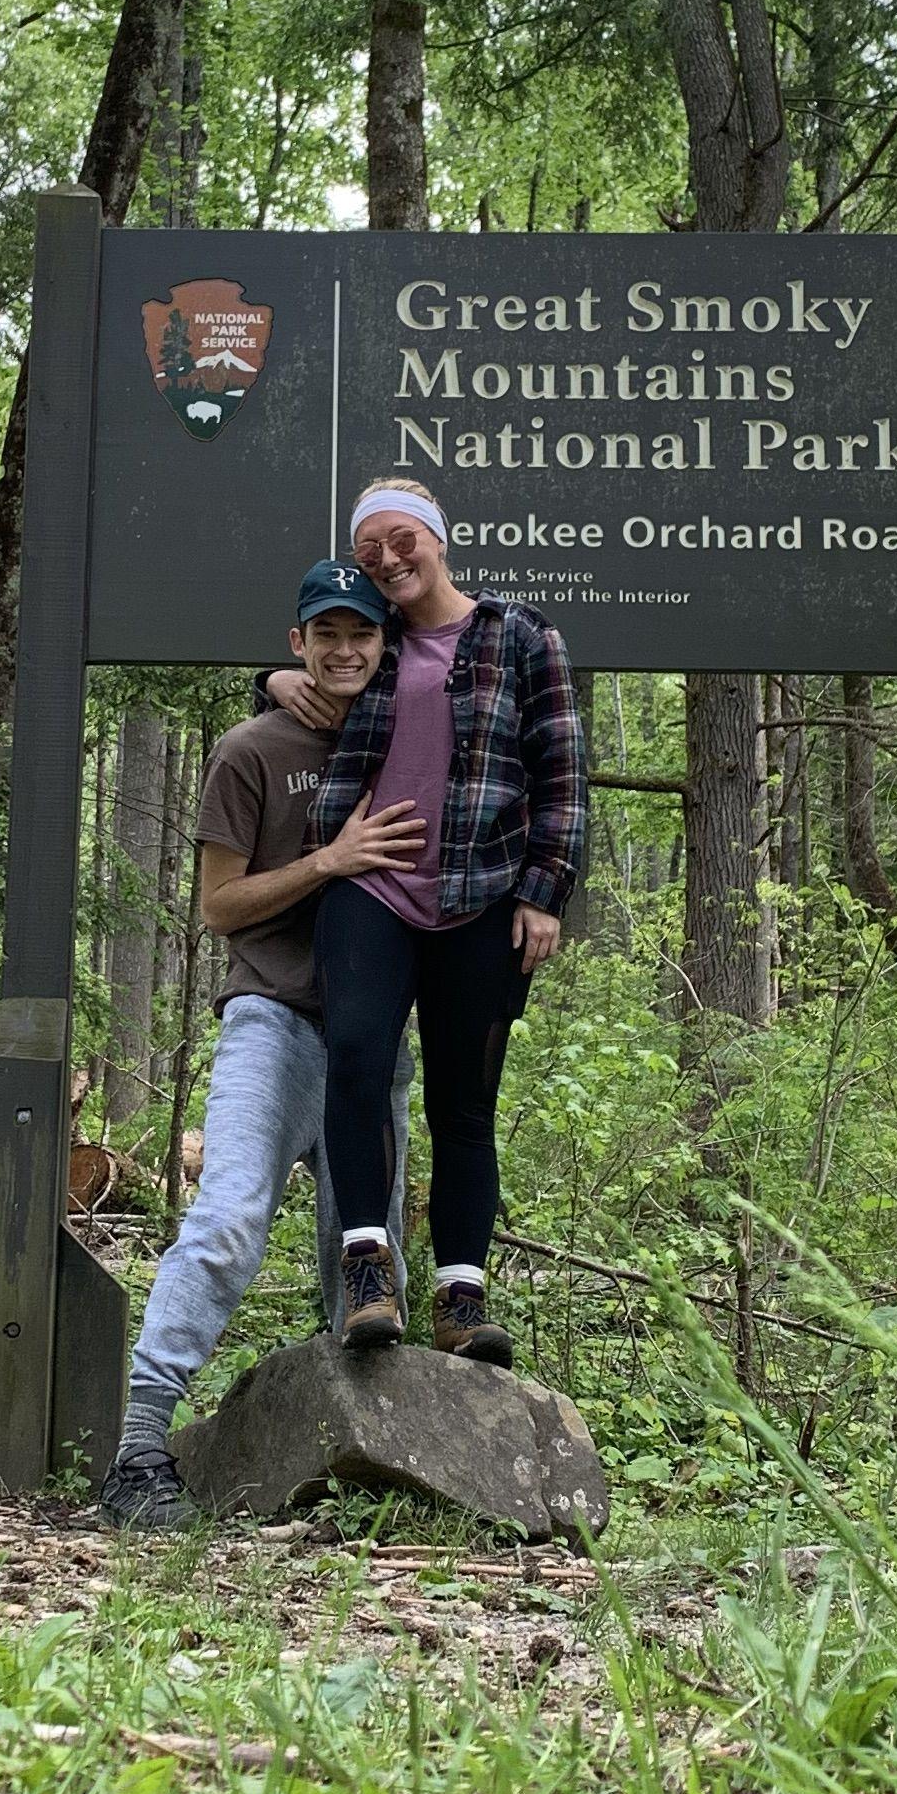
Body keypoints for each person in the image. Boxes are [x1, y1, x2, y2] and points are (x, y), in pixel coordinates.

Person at [92, 562, 424, 1535]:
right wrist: (329, 860)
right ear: (296, 644)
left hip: (375, 1042)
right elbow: (218, 905)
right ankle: (140, 1450)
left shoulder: (405, 738)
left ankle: (364, 1473)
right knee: (229, 1218)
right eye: (324, 634)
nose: (343, 650)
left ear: (381, 642)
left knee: (363, 1267)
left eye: (360, 633)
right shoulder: (249, 752)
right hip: (271, 1026)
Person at [286, 476, 583, 1359]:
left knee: (465, 1104)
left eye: (399, 538)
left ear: (436, 537)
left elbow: (561, 767)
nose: (385, 557)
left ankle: (462, 1298)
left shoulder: (520, 635)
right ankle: (367, 1269)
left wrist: (545, 888)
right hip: (370, 888)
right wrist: (274, 678)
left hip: (483, 897)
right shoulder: (369, 641)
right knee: (358, 1058)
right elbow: (313, 668)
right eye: (369, 546)